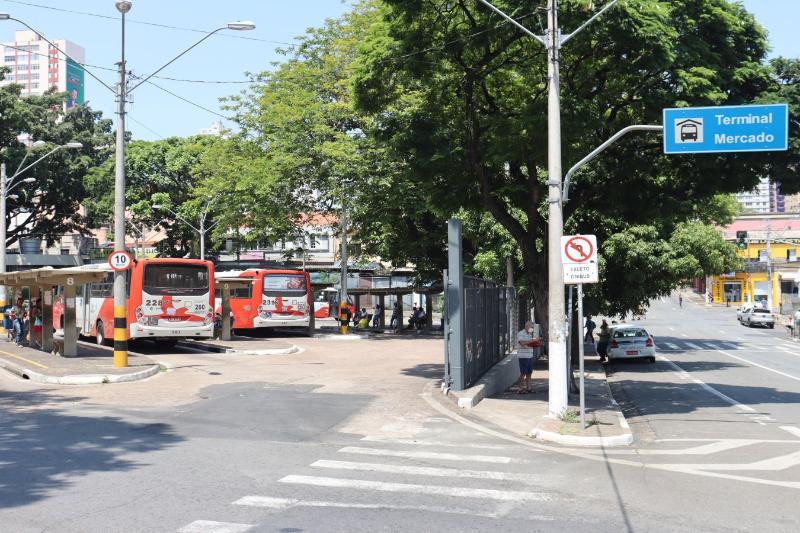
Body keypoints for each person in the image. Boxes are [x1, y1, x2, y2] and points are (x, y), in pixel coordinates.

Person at [516, 321, 542, 394]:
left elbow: (530, 343)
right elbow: (522, 342)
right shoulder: (521, 333)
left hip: (530, 355)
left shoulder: (530, 334)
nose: (532, 329)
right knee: (523, 373)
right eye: (531, 327)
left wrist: (536, 343)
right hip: (523, 356)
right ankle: (520, 388)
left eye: (533, 328)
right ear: (527, 326)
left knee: (529, 373)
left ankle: (529, 388)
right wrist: (532, 340)